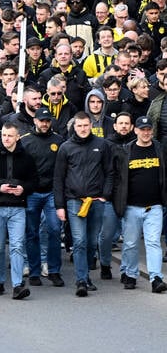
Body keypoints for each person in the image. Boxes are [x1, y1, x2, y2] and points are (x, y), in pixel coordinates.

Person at [54, 111, 114, 297]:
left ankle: (86, 276)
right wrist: (59, 206)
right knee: (79, 241)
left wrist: (105, 195)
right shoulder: (65, 147)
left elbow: (110, 172)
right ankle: (81, 279)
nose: (82, 129)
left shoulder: (102, 145)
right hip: (74, 201)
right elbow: (59, 178)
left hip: (96, 201)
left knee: (91, 241)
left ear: (91, 126)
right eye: (79, 126)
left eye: (85, 125)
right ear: (74, 127)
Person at [0, 122, 39, 299]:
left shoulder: (26, 157)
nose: (6, 139)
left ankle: (18, 284)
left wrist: (23, 189)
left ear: (17, 137)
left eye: (10, 136)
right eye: (4, 135)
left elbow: (34, 181)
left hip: (18, 208)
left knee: (17, 246)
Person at [111, 116, 167, 292]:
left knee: (153, 243)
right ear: (135, 130)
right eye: (142, 129)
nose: (146, 132)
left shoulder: (160, 149)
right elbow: (117, 178)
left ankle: (156, 278)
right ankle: (131, 274)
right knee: (131, 243)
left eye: (149, 129)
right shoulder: (126, 151)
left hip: (155, 206)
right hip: (131, 207)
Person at [20, 107, 66, 287]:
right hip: (31, 193)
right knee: (31, 233)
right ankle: (34, 271)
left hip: (52, 193)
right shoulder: (25, 141)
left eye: (47, 121)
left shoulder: (59, 141)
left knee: (54, 230)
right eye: (41, 120)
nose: (45, 124)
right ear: (35, 121)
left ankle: (54, 270)